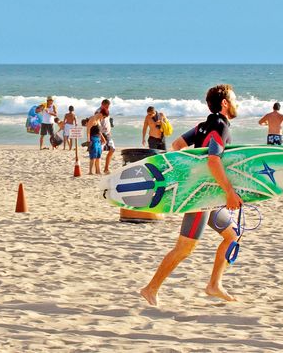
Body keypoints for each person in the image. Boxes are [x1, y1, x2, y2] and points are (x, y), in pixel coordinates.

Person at [140, 84, 242, 306]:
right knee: (184, 247)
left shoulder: (204, 125)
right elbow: (213, 160)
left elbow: (177, 145)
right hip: (201, 199)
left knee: (232, 235)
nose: (237, 102)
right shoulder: (221, 126)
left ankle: (214, 285)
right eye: (234, 99)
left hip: (208, 196)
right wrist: (229, 192)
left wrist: (187, 176)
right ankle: (150, 288)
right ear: (225, 103)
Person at [91, 99, 116, 173]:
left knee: (112, 149)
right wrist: (100, 136)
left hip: (107, 134)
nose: (108, 108)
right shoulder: (98, 112)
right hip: (101, 133)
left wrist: (109, 132)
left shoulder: (106, 111)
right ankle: (97, 170)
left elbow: (107, 122)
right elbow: (96, 125)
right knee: (99, 152)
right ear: (102, 104)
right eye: (106, 106)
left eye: (108, 106)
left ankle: (106, 168)